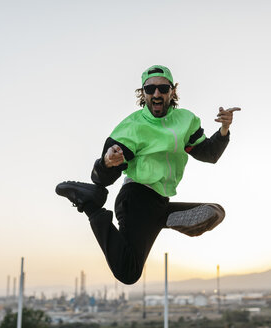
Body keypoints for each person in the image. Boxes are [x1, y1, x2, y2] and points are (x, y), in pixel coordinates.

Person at [56, 65, 240, 284]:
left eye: (163, 88)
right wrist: (107, 162)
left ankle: (165, 219)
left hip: (160, 202)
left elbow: (209, 153)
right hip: (136, 199)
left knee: (215, 212)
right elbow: (102, 179)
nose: (157, 94)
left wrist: (224, 130)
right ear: (142, 93)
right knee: (128, 272)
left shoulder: (186, 121)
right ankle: (90, 205)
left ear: (172, 91)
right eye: (150, 89)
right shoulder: (133, 127)